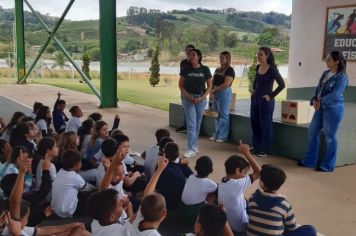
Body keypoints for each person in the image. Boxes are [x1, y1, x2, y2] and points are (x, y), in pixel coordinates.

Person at [298, 51, 348, 172]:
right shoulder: (325, 73)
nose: (326, 61)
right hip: (320, 107)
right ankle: (310, 161)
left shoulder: (342, 77)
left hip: (333, 109)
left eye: (329, 60)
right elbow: (318, 88)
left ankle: (327, 165)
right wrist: (315, 99)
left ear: (336, 61)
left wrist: (321, 102)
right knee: (312, 132)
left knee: (330, 137)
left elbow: (336, 94)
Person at [247, 165, 317, 236]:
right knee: (310, 229)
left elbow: (250, 215)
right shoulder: (284, 204)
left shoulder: (252, 198)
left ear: (261, 183)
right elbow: (291, 227)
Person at [218, 141, 261, 234]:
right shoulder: (236, 185)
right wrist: (247, 154)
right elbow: (258, 172)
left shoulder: (223, 181)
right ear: (237, 171)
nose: (245, 176)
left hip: (228, 226)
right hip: (240, 229)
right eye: (245, 172)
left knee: (246, 200)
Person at [250, 47, 285, 157]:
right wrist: (254, 91)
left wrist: (270, 96)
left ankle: (264, 149)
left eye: (260, 54)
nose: (258, 56)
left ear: (267, 56)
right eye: (258, 54)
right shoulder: (258, 67)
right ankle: (256, 146)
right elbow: (255, 83)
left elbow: (282, 85)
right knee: (254, 121)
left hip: (266, 101)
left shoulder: (272, 69)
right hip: (255, 98)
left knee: (265, 124)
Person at [179, 49, 212, 158]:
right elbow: (181, 85)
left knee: (197, 124)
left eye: (194, 55)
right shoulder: (185, 69)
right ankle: (191, 148)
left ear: (199, 57)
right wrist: (188, 97)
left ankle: (194, 146)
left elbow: (209, 86)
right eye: (190, 55)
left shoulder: (205, 69)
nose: (191, 56)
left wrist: (202, 97)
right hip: (188, 99)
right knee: (191, 124)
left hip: (201, 99)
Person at [51, 150, 96, 218]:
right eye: (80, 161)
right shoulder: (74, 176)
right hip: (67, 211)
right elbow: (87, 187)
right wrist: (96, 188)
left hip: (55, 209)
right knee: (91, 193)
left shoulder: (60, 172)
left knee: (77, 190)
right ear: (76, 164)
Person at [130, 156, 169, 236]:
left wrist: (159, 170)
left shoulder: (138, 220)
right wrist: (159, 170)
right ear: (164, 213)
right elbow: (146, 195)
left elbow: (146, 195)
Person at [156, 142, 193, 210]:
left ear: (164, 154)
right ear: (178, 155)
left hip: (161, 201)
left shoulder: (159, 167)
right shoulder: (180, 169)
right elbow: (192, 176)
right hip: (175, 204)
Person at [209, 51, 235, 143]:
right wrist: (211, 91)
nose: (220, 59)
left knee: (224, 114)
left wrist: (215, 90)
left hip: (224, 93)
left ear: (227, 59)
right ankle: (216, 133)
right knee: (216, 114)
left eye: (222, 58)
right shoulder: (217, 69)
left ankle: (223, 136)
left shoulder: (230, 70)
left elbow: (226, 83)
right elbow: (212, 81)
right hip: (215, 93)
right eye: (220, 57)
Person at [176, 44, 195, 133]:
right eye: (188, 50)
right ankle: (185, 125)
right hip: (184, 87)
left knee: (192, 108)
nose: (189, 52)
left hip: (193, 88)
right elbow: (183, 74)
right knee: (185, 106)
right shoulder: (183, 63)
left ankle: (191, 127)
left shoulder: (196, 62)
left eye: (191, 50)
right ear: (185, 51)